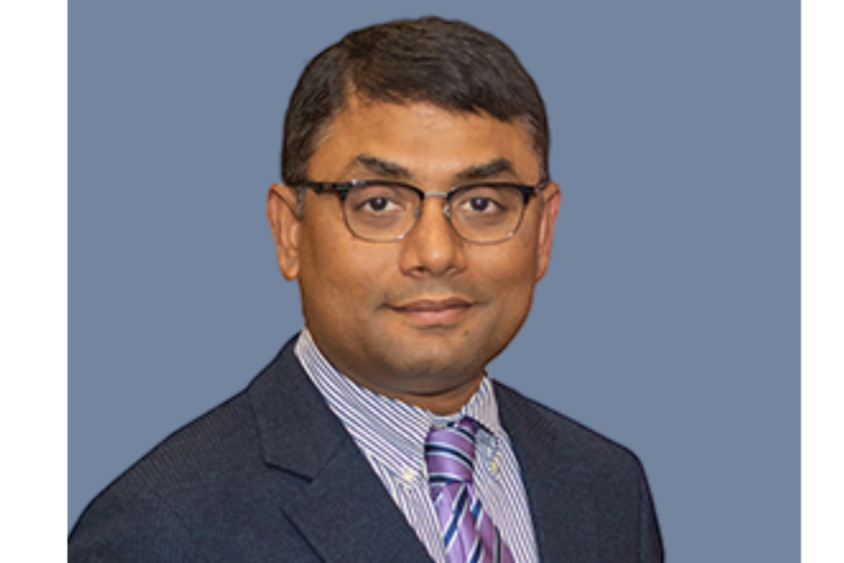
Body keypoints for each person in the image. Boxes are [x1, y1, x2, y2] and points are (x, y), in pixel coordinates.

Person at [69, 16, 663, 563]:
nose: (436, 253)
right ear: (290, 230)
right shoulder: (160, 529)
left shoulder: (606, 487)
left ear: (544, 231)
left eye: (482, 204)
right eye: (378, 203)